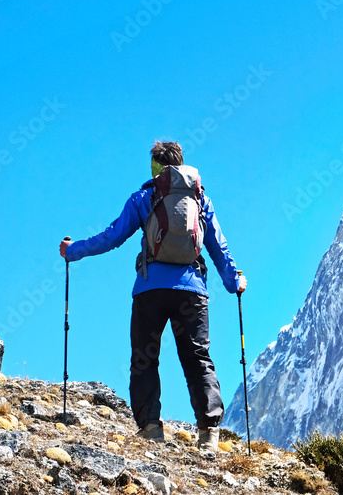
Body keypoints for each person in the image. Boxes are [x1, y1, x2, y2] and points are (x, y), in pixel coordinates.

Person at [59, 140, 247, 450]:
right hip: (192, 291)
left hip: (150, 290)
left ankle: (150, 428)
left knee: (145, 359)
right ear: (182, 165)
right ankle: (209, 433)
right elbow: (217, 247)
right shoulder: (202, 201)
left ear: (156, 168)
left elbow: (112, 236)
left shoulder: (144, 198)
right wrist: (234, 281)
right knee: (197, 358)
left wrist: (73, 251)